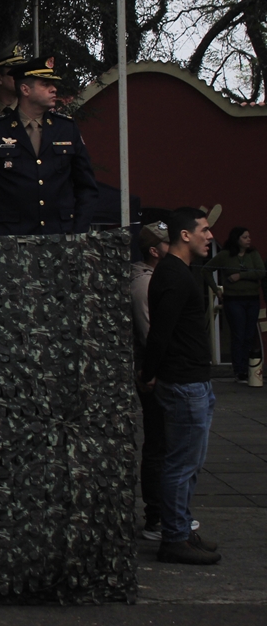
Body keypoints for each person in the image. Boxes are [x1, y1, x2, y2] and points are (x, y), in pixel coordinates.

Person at [141, 207, 220, 565]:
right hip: (185, 384)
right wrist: (149, 374)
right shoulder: (173, 275)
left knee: (189, 464)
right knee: (180, 466)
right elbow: (160, 333)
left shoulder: (178, 272)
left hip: (193, 382)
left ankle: (182, 530)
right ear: (184, 235)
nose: (210, 235)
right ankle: (174, 537)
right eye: (203, 230)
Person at [0, 57, 98, 235]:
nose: (54, 89)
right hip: (11, 238)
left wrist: (78, 231)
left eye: (53, 84)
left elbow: (86, 186)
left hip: (60, 235)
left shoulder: (66, 128)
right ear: (25, 89)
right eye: (45, 84)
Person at [132, 221, 171, 542]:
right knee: (159, 443)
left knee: (164, 443)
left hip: (157, 370)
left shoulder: (157, 278)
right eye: (167, 243)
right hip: (153, 373)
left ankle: (162, 514)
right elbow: (149, 333)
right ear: (154, 251)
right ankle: (156, 517)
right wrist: (154, 370)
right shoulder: (144, 284)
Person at [203, 227, 265, 383]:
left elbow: (261, 272)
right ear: (237, 239)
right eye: (245, 237)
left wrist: (241, 275)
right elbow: (206, 270)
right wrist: (216, 289)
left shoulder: (253, 254)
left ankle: (249, 369)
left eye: (249, 236)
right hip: (234, 299)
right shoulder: (225, 255)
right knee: (238, 334)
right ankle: (239, 371)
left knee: (249, 335)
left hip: (252, 299)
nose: (248, 239)